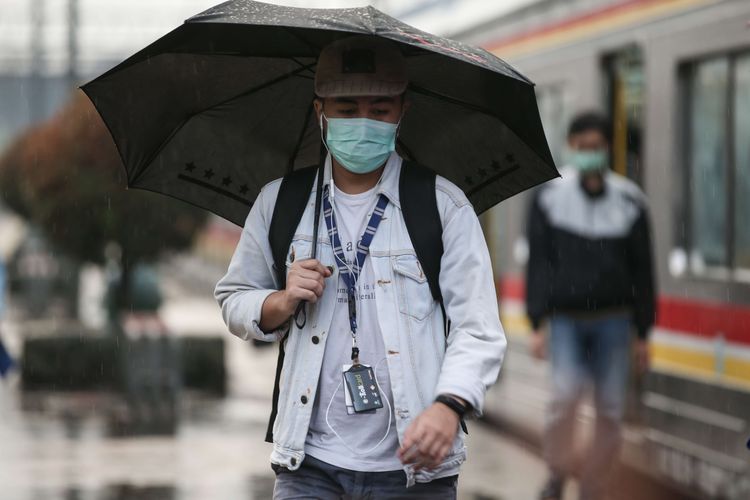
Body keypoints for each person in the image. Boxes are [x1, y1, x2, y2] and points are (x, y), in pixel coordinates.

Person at [215, 36, 506, 499]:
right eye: (347, 109)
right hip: (308, 465)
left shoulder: (441, 205)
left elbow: (479, 327)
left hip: (416, 472)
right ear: (320, 113)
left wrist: (449, 407)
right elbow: (233, 299)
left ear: (402, 111)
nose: (363, 123)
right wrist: (281, 299)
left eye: (380, 109)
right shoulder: (282, 202)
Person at [525, 112, 656, 500]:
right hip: (565, 320)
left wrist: (644, 333)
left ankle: (594, 487)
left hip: (615, 322)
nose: (589, 155)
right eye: (582, 148)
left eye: (595, 148)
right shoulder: (549, 198)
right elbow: (539, 265)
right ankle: (557, 471)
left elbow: (643, 271)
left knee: (610, 411)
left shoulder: (631, 201)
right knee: (565, 397)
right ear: (571, 148)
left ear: (606, 149)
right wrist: (536, 322)